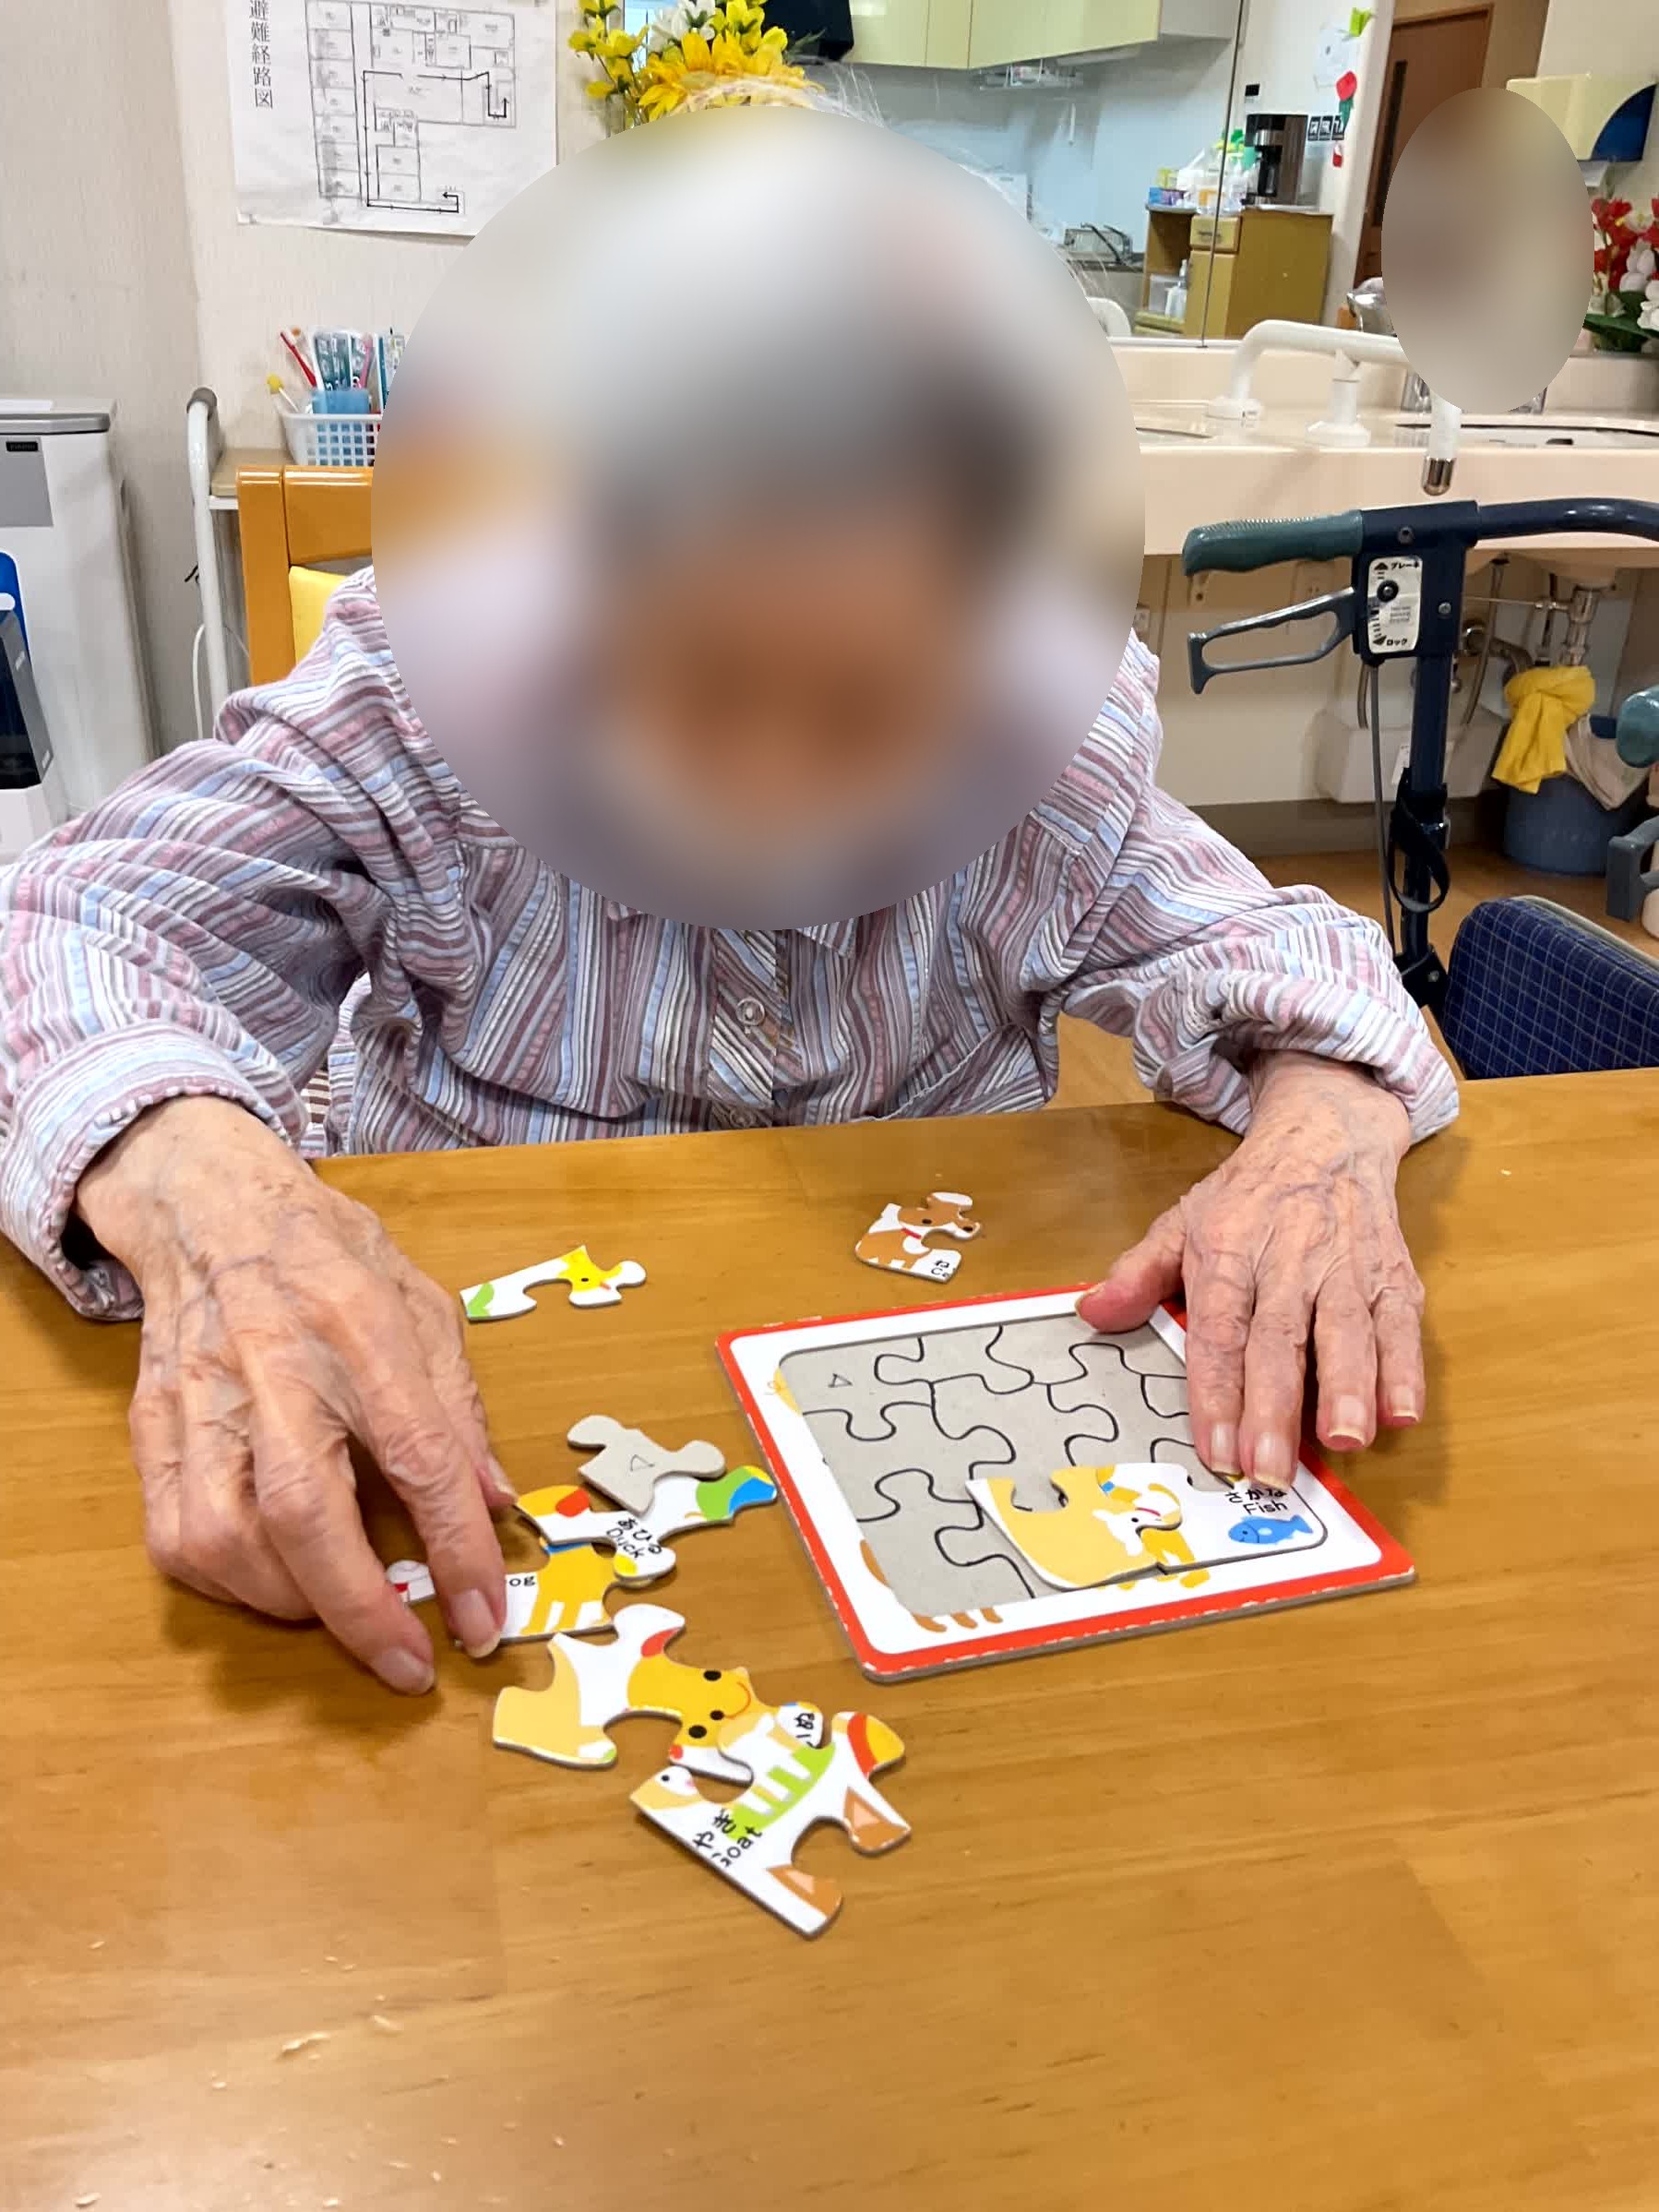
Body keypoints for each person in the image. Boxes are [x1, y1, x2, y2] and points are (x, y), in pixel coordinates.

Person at [0, 133, 1457, 1699]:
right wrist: (214, 1187)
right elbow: (75, 921)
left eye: (868, 704)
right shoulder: (428, 702)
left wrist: (1322, 1125)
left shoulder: (1037, 749)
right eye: (697, 679)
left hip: (898, 1422)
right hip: (481, 1419)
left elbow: (1277, 954)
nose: (773, 781)